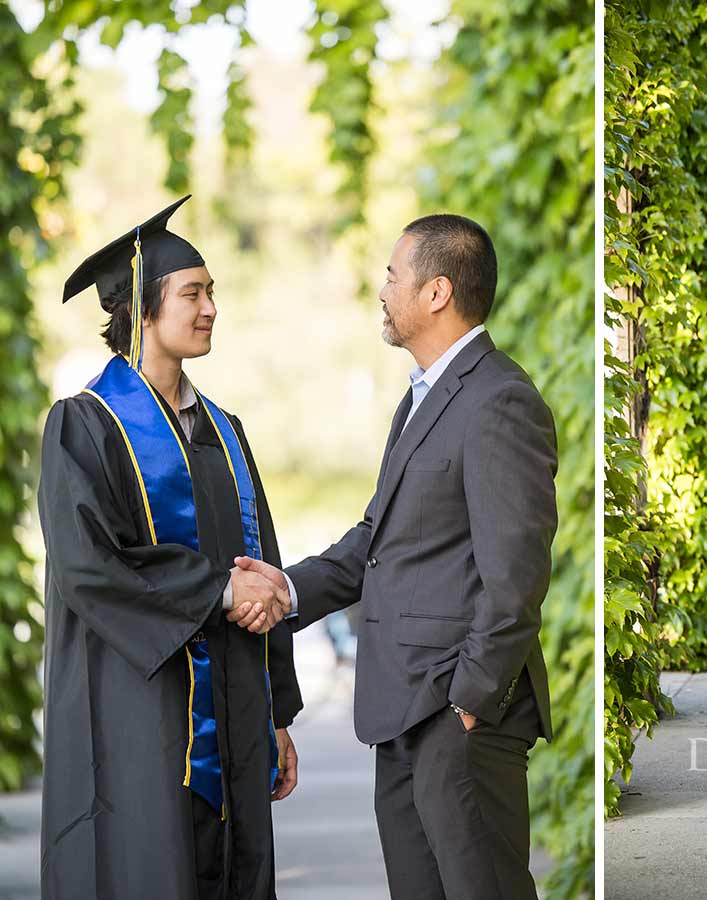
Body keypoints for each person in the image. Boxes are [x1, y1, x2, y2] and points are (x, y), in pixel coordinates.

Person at [233, 214, 557, 899]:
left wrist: (468, 703)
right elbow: (376, 543)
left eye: (391, 275)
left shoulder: (500, 400)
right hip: (403, 710)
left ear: (436, 292)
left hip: (456, 718)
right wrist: (287, 589)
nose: (382, 290)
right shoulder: (421, 398)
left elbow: (516, 577)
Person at [39, 196, 302, 899]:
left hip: (238, 717)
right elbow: (89, 569)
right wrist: (216, 591)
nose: (211, 307)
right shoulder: (84, 428)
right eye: (193, 293)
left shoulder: (224, 431)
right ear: (141, 312)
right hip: (140, 724)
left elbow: (260, 565)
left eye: (213, 291)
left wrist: (276, 714)